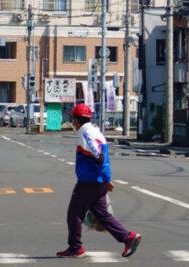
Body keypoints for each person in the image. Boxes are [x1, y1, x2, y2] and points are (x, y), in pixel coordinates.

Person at [57, 103, 142, 259]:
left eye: (72, 119)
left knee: (74, 214)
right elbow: (105, 160)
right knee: (103, 215)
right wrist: (107, 179)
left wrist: (97, 156)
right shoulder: (95, 130)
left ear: (76, 120)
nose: (72, 122)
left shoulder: (85, 132)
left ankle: (75, 248)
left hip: (88, 182)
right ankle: (129, 237)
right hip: (97, 181)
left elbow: (97, 152)